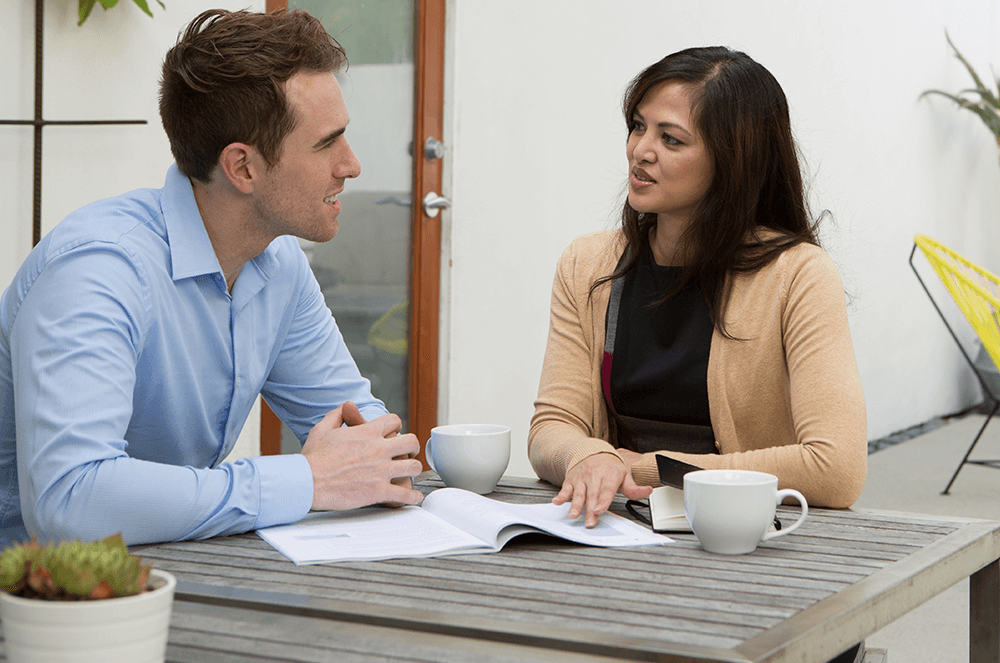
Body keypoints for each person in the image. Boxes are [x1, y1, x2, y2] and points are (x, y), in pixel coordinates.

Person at [0, 8, 424, 549]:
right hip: (38, 603)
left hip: (180, 575)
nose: (353, 164)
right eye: (327, 143)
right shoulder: (98, 270)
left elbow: (369, 445)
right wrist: (306, 480)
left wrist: (367, 466)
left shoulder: (278, 263)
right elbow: (72, 501)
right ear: (242, 167)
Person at [529, 46, 867, 528]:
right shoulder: (587, 264)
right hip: (614, 528)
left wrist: (645, 468)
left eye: (671, 139)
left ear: (732, 161)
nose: (640, 150)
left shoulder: (799, 275)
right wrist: (585, 455)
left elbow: (836, 468)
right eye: (639, 126)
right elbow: (550, 429)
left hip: (746, 538)